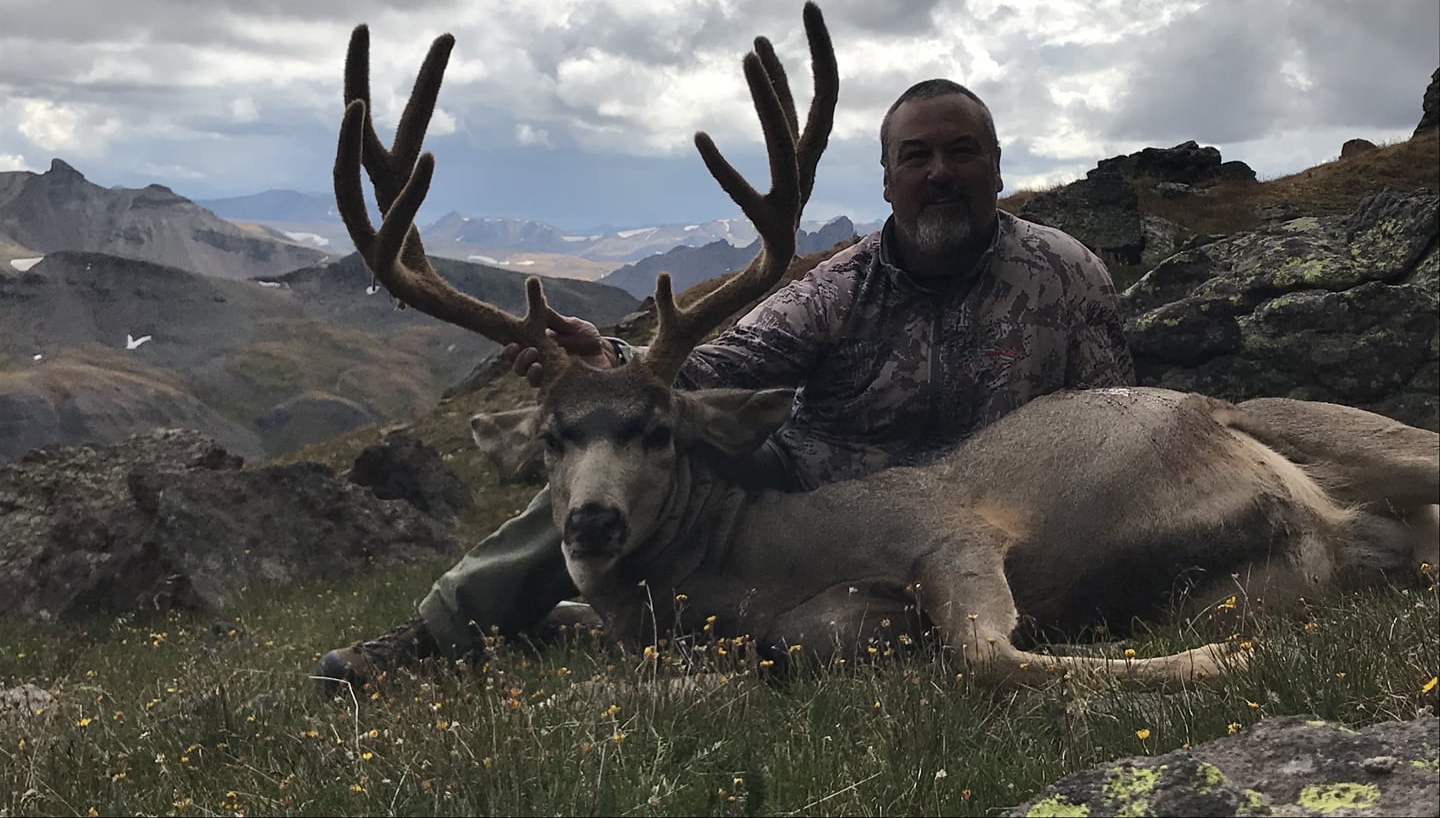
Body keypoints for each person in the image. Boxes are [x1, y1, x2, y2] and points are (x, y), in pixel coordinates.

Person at [316, 79, 1135, 689]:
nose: (940, 172)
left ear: (997, 166)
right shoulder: (836, 288)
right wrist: (607, 362)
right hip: (816, 490)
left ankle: (598, 624)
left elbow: (1109, 416)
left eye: (962, 152)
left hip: (997, 502)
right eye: (916, 156)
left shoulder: (1065, 273)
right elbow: (704, 375)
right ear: (888, 179)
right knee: (617, 444)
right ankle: (435, 634)